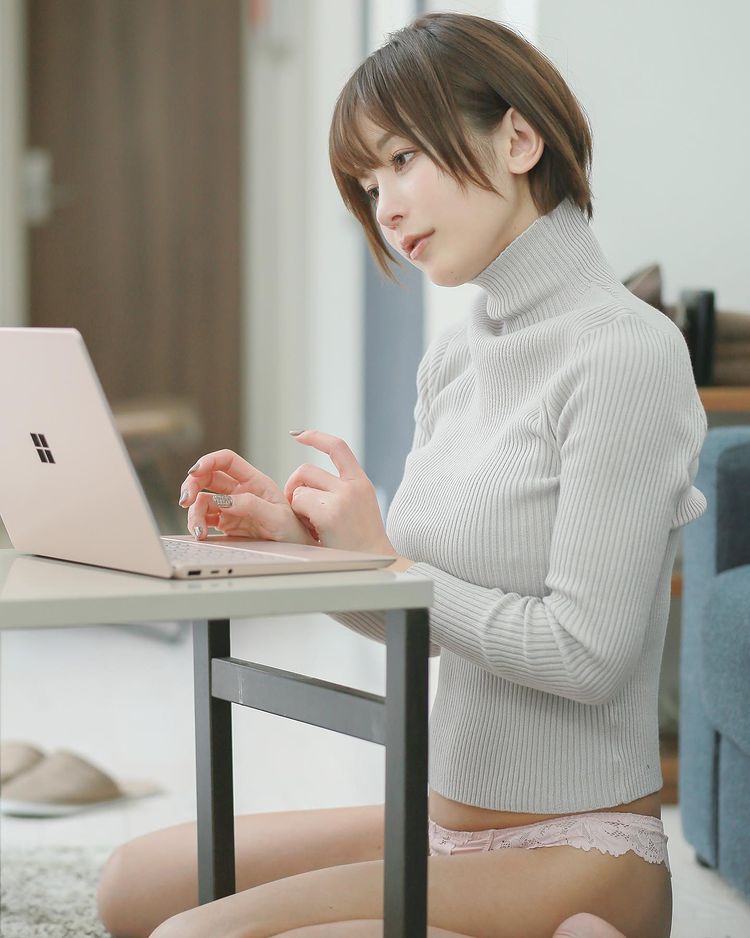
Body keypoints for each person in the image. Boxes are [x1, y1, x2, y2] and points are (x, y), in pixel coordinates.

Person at [97, 11, 706, 938]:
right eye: (367, 180)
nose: (383, 205)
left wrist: (386, 566)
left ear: (517, 138)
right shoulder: (457, 356)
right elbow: (415, 624)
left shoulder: (627, 353)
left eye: (403, 161)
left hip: (579, 848)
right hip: (439, 821)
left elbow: (590, 655)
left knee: (191, 934)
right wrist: (312, 546)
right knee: (132, 886)